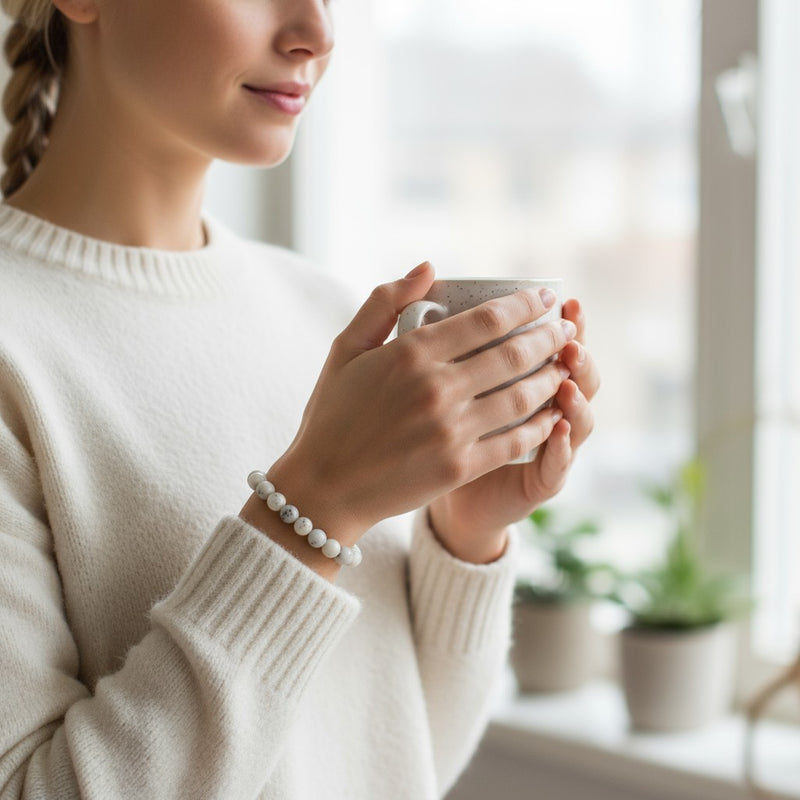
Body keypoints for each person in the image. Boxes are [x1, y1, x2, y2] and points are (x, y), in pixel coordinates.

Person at [0, 1, 600, 798]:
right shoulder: (19, 347)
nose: (316, 32)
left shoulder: (324, 314)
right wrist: (314, 506)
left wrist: (465, 540)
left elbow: (397, 760)